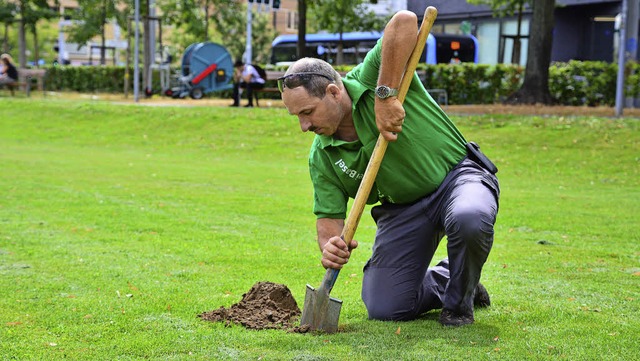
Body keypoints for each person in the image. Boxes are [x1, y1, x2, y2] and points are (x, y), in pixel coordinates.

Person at [279, 10, 500, 327]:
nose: (303, 126)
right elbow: (328, 222)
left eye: (307, 113)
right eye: (296, 117)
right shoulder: (322, 155)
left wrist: (385, 96)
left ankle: (459, 305)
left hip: (458, 178)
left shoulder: (370, 79)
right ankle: (452, 277)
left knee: (469, 217)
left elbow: (406, 21)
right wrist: (330, 247)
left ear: (333, 91)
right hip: (404, 210)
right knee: (385, 307)